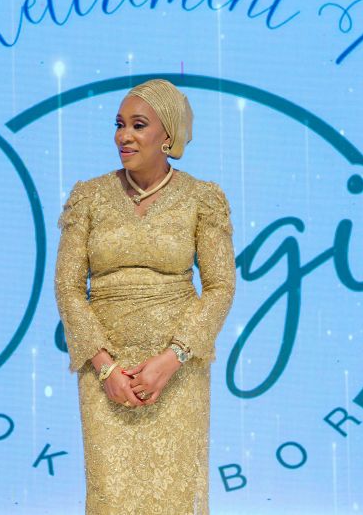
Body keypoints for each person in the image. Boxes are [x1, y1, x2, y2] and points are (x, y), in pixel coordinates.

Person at [55, 79, 236, 514]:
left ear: (168, 135)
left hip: (177, 371)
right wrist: (105, 367)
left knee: (172, 494)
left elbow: (220, 287)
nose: (124, 136)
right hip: (106, 372)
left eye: (138, 125)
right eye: (119, 125)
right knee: (111, 494)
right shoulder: (88, 197)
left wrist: (171, 359)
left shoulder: (202, 199)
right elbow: (67, 287)